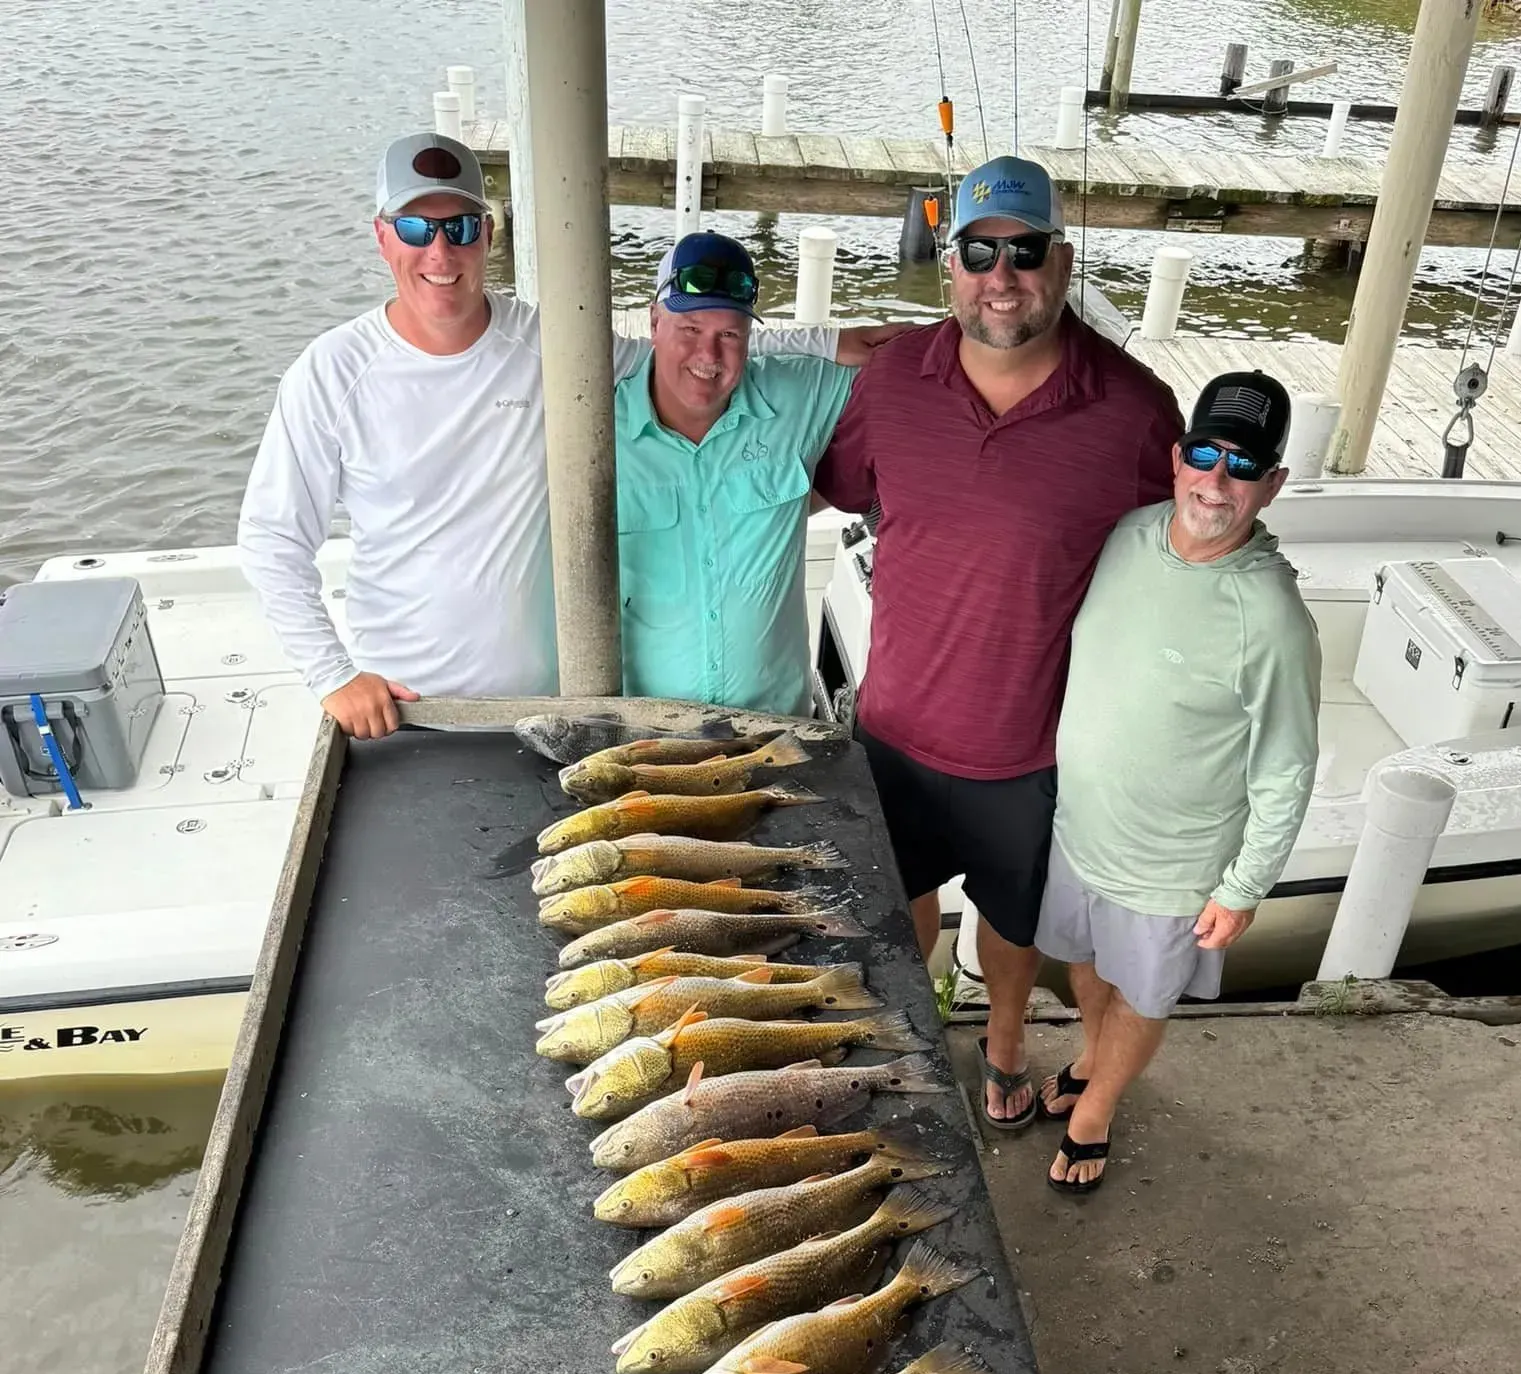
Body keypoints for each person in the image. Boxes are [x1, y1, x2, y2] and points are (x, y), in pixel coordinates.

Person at [237, 134, 894, 739]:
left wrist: (830, 340)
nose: (440, 252)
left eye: (460, 228)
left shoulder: (554, 344)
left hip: (555, 705)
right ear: (383, 237)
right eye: (416, 227)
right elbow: (272, 537)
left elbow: (689, 346)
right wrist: (333, 676)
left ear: (487, 235)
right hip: (410, 705)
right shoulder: (331, 373)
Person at [815, 155, 1183, 1134]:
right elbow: (819, 484)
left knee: (1015, 925)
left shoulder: (1138, 412)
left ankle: (1007, 1040)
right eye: (980, 251)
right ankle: (904, 1027)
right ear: (950, 266)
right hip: (894, 724)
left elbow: (1183, 564)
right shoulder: (891, 379)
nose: (1002, 275)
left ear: (1060, 263)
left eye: (1024, 251)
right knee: (903, 903)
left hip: (1035, 746)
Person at [1035, 371, 1322, 1194]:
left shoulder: (1272, 618)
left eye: (1243, 466)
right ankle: (1090, 1059)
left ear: (1273, 486)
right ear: (1175, 458)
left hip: (1172, 868)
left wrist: (1244, 887)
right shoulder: (1125, 536)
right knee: (1084, 965)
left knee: (1142, 995)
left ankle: (1098, 1112)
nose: (1217, 480)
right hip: (1079, 831)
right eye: (1205, 453)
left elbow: (1287, 765)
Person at [614, 232, 853, 714]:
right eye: (690, 329)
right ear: (654, 322)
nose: (708, 356)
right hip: (644, 741)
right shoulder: (592, 429)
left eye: (729, 335)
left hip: (777, 732)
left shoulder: (801, 395)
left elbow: (917, 364)